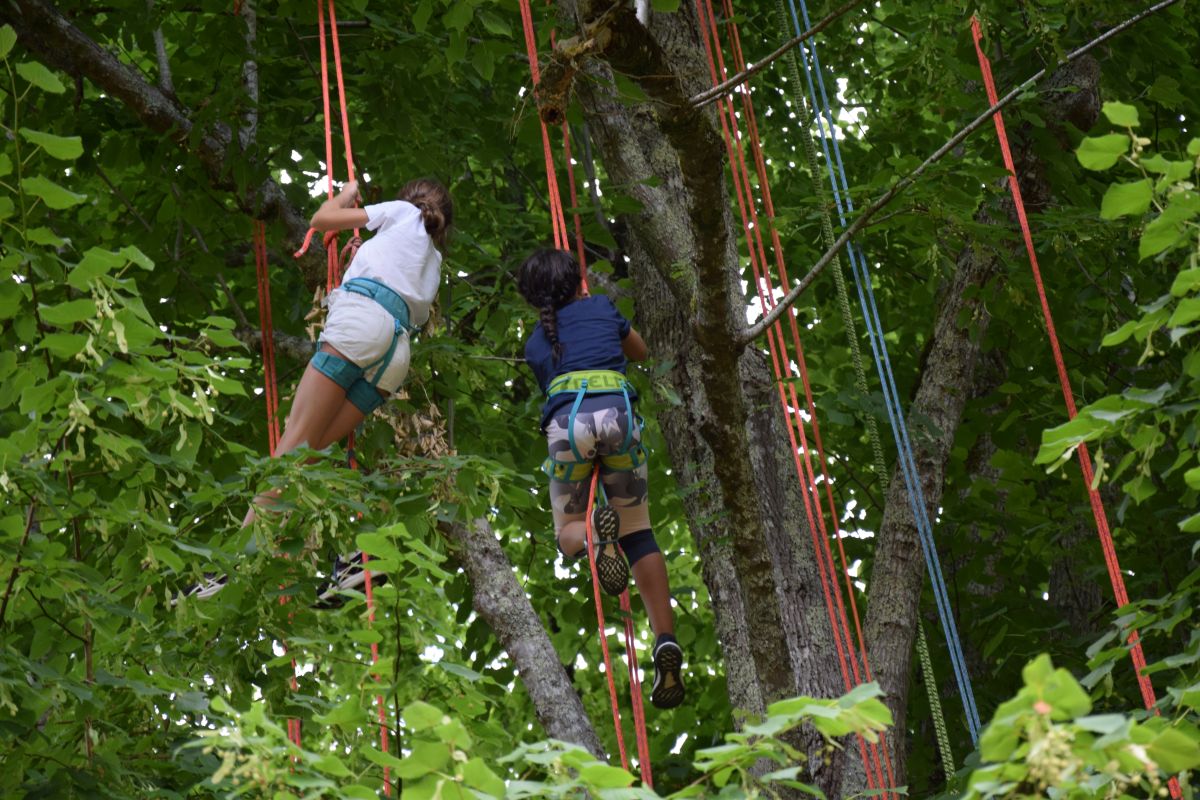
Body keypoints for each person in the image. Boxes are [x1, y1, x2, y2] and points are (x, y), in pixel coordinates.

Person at [188, 178, 453, 606]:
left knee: (291, 448)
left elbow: (321, 220)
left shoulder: (402, 214)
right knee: (306, 459)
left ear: (413, 201)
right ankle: (362, 554)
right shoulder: (434, 260)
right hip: (395, 355)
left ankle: (230, 563)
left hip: (362, 324)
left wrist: (347, 196)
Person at [517, 248, 685, 710]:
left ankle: (592, 534)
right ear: (579, 282)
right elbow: (642, 351)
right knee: (639, 533)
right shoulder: (601, 308)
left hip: (568, 424)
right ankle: (665, 637)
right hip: (619, 417)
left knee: (566, 531)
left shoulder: (535, 343)